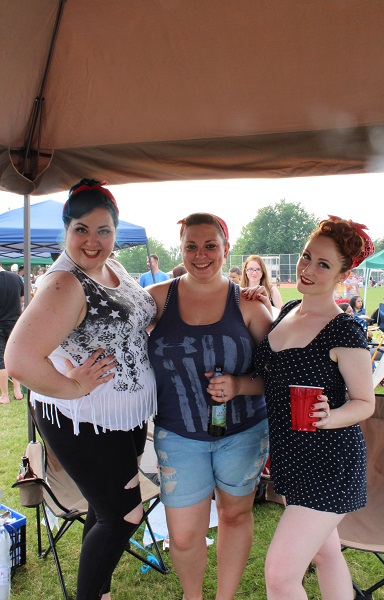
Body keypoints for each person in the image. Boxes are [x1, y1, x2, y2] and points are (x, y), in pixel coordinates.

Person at [5, 178, 158, 600]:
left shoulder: (111, 266)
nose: (93, 242)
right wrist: (73, 386)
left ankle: (101, 593)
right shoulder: (63, 283)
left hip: (120, 415)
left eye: (103, 231)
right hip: (84, 418)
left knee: (106, 510)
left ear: (115, 231)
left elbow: (138, 305)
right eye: (82, 230)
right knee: (123, 517)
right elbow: (18, 360)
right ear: (66, 230)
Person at [212, 215, 376, 599]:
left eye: (323, 264)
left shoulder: (344, 329)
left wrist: (331, 415)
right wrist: (238, 385)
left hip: (330, 463)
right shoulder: (286, 312)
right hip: (293, 459)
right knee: (325, 552)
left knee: (280, 575)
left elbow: (365, 402)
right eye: (306, 257)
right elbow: (271, 382)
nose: (308, 269)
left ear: (342, 275)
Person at [146, 212, 272, 600]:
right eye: (191, 246)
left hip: (243, 433)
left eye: (210, 246)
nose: (201, 255)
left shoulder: (248, 304)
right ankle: (193, 596)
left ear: (226, 249)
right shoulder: (157, 299)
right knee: (184, 535)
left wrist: (239, 385)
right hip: (178, 433)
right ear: (180, 250)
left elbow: (279, 372)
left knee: (235, 516)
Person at [0, 261, 24, 404]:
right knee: (14, 357)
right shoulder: (15, 278)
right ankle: (18, 391)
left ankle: (4, 395)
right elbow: (23, 298)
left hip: (1, 323)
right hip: (15, 323)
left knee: (1, 360)